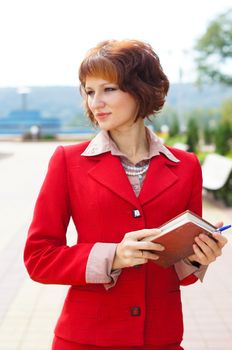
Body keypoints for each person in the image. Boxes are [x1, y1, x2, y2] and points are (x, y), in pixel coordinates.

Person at [24, 39, 227, 350]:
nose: (96, 102)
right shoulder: (68, 162)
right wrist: (114, 256)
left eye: (108, 89)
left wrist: (200, 258)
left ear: (140, 89)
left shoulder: (185, 166)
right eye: (89, 92)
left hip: (160, 338)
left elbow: (182, 274)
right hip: (85, 339)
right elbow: (39, 258)